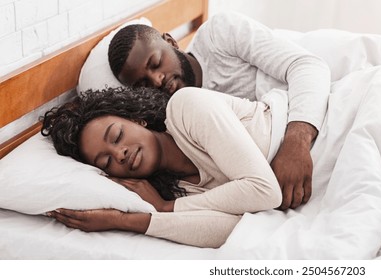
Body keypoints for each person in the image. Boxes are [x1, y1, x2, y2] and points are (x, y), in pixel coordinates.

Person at [106, 12, 331, 210]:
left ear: (171, 42)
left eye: (156, 63)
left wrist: (296, 143)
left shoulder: (218, 35)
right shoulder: (173, 122)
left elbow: (306, 66)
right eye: (143, 84)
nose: (157, 80)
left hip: (311, 115)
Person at [42, 86, 286, 248]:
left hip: (317, 143)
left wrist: (167, 208)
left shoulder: (186, 107)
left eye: (117, 135)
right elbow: (233, 231)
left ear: (137, 119)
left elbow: (264, 191)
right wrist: (126, 220)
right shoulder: (176, 190)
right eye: (107, 161)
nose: (120, 154)